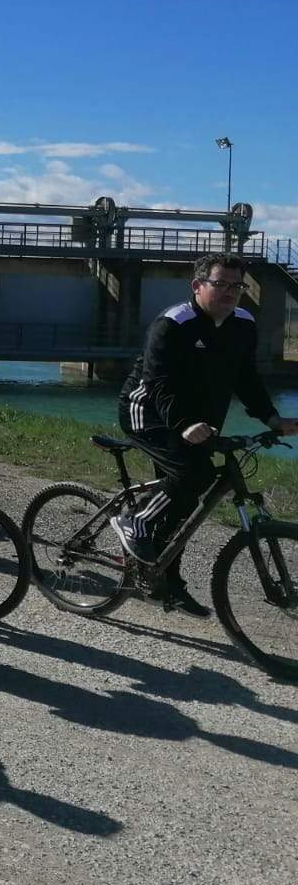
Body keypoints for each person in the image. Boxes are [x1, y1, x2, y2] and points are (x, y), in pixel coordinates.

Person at [113, 253, 298, 616]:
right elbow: (158, 383)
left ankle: (166, 584)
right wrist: (183, 424)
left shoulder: (243, 324)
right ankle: (134, 521)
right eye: (221, 284)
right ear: (198, 286)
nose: (231, 292)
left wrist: (272, 418)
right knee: (192, 475)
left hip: (199, 420)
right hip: (147, 412)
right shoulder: (172, 324)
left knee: (183, 503)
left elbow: (245, 377)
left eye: (238, 285)